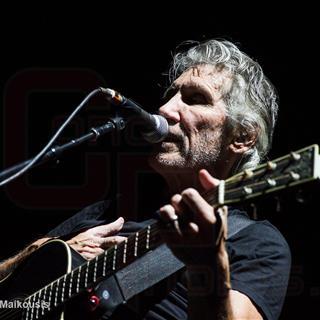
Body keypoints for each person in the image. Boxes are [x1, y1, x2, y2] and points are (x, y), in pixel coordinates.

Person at [0, 39, 291, 319]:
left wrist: (208, 263)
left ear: (242, 137)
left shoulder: (257, 243)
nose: (164, 110)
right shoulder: (113, 210)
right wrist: (34, 252)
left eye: (195, 99)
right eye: (171, 95)